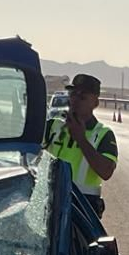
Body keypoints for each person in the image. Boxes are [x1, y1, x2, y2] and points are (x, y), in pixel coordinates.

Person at [43, 73, 118, 217]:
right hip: (50, 200)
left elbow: (106, 172)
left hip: (83, 208)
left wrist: (81, 139)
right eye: (73, 94)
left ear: (95, 103)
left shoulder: (103, 134)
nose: (76, 100)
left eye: (83, 97)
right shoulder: (53, 126)